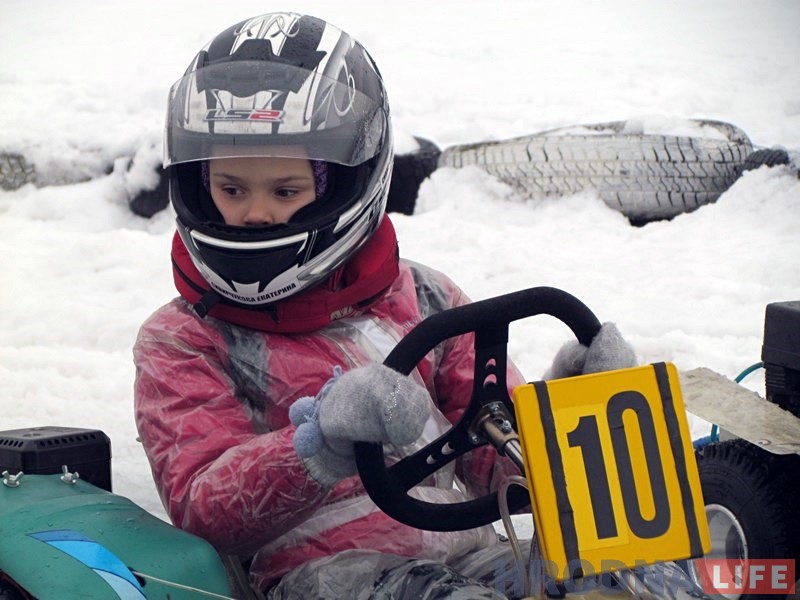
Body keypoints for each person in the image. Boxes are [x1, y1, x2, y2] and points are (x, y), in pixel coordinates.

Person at [133, 12, 636, 599]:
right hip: (320, 576)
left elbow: (499, 468)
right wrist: (317, 445)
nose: (257, 214)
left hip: (465, 553)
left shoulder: (423, 297)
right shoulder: (185, 339)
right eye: (232, 189)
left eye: (286, 191)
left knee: (625, 579)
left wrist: (574, 412)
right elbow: (202, 506)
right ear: (198, 185)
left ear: (347, 182)